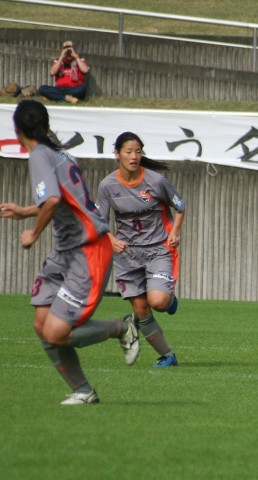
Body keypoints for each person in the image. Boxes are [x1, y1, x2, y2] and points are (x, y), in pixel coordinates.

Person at [0, 100, 140, 405]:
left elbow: (51, 201)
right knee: (42, 324)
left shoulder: (39, 155)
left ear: (18, 129)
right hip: (65, 250)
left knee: (56, 332)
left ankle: (121, 326)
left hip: (87, 251)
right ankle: (83, 391)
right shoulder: (59, 153)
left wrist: (32, 234)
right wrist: (25, 212)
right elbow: (63, 200)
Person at [97, 132, 184, 367]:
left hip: (157, 249)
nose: (134, 156)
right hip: (127, 255)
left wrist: (175, 231)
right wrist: (111, 239)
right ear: (117, 154)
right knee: (141, 308)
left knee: (158, 302)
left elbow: (180, 205)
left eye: (138, 151)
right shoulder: (107, 185)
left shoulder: (155, 181)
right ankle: (168, 356)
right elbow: (99, 221)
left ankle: (167, 297)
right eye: (128, 151)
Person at [38, 40, 89, 104]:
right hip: (60, 88)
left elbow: (85, 70)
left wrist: (75, 56)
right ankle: (66, 98)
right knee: (42, 89)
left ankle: (53, 96)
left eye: (70, 48)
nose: (68, 52)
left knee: (82, 89)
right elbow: (52, 72)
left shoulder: (80, 60)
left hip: (74, 88)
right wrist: (61, 56)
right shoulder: (58, 61)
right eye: (66, 49)